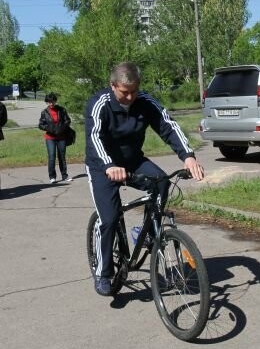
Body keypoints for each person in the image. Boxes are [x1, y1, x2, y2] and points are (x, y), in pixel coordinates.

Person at [85, 62, 205, 296]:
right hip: (103, 166)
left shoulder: (145, 102)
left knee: (161, 181)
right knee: (109, 219)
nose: (130, 97)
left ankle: (148, 231)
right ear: (113, 86)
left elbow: (168, 126)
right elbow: (94, 138)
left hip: (133, 161)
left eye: (134, 91)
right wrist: (109, 165)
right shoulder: (99, 104)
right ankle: (104, 272)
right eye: (124, 92)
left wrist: (188, 157)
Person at [38, 92, 72, 184]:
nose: (51, 104)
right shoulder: (44, 112)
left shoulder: (62, 110)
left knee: (62, 156)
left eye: (52, 101)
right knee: (52, 157)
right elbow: (41, 125)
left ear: (55, 101)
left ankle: (64, 175)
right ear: (46, 102)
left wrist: (62, 128)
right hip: (50, 138)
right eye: (49, 102)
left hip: (61, 137)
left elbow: (67, 120)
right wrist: (50, 128)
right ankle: (52, 177)